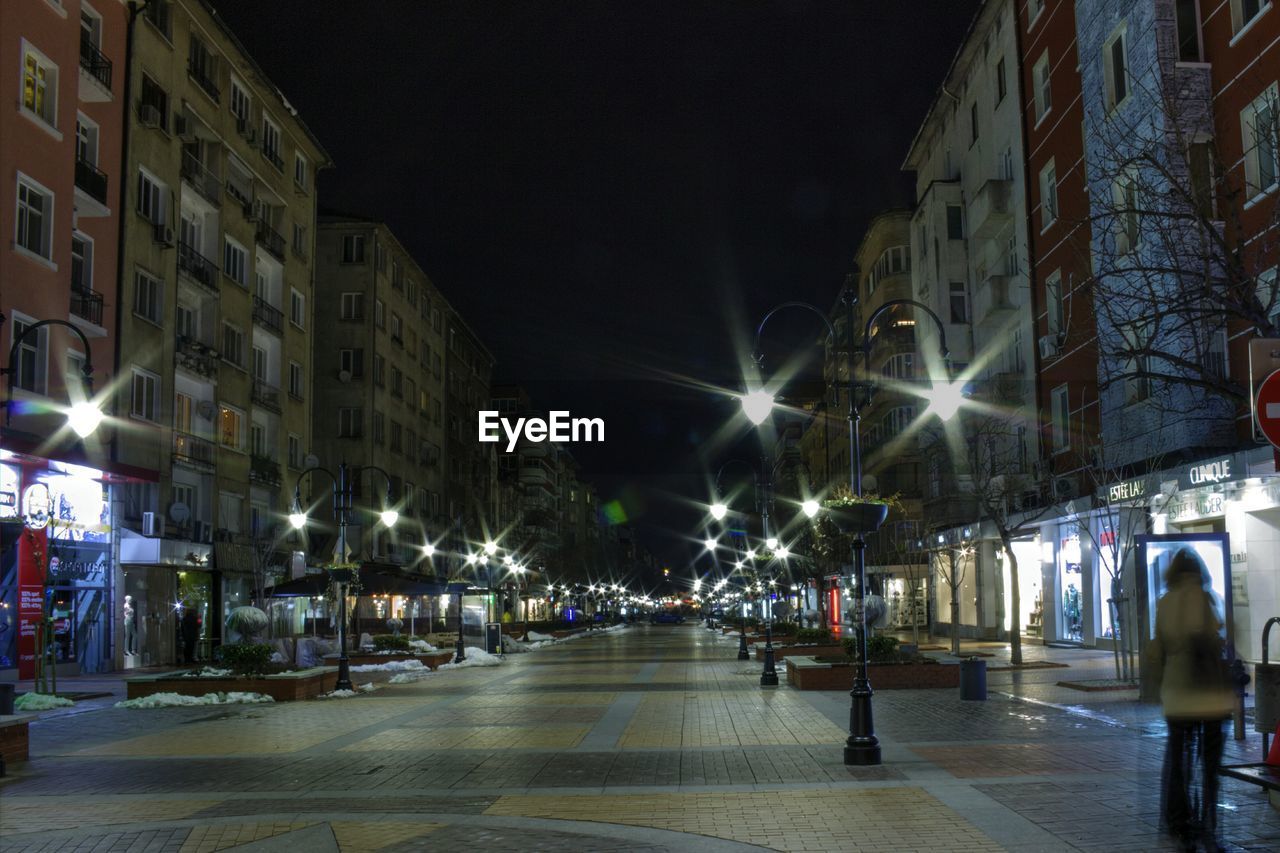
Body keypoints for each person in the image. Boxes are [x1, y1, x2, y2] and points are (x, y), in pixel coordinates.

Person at [1145, 548, 1232, 852]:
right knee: (1209, 767)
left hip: (1178, 695)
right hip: (1210, 697)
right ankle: (1208, 824)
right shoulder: (1208, 599)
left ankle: (1179, 822)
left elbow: (1159, 650)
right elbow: (1215, 639)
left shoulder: (1164, 603)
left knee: (1178, 762)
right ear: (1200, 570)